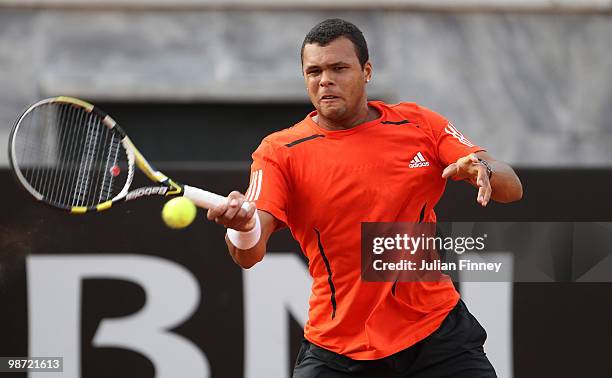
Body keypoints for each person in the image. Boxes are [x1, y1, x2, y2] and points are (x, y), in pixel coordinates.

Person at [207, 18, 522, 378]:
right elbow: (249, 253)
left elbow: (512, 188)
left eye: (339, 68)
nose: (325, 80)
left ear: (366, 71)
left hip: (437, 333)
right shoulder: (279, 152)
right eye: (314, 71)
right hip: (340, 349)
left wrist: (485, 170)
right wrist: (241, 228)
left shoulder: (419, 124)